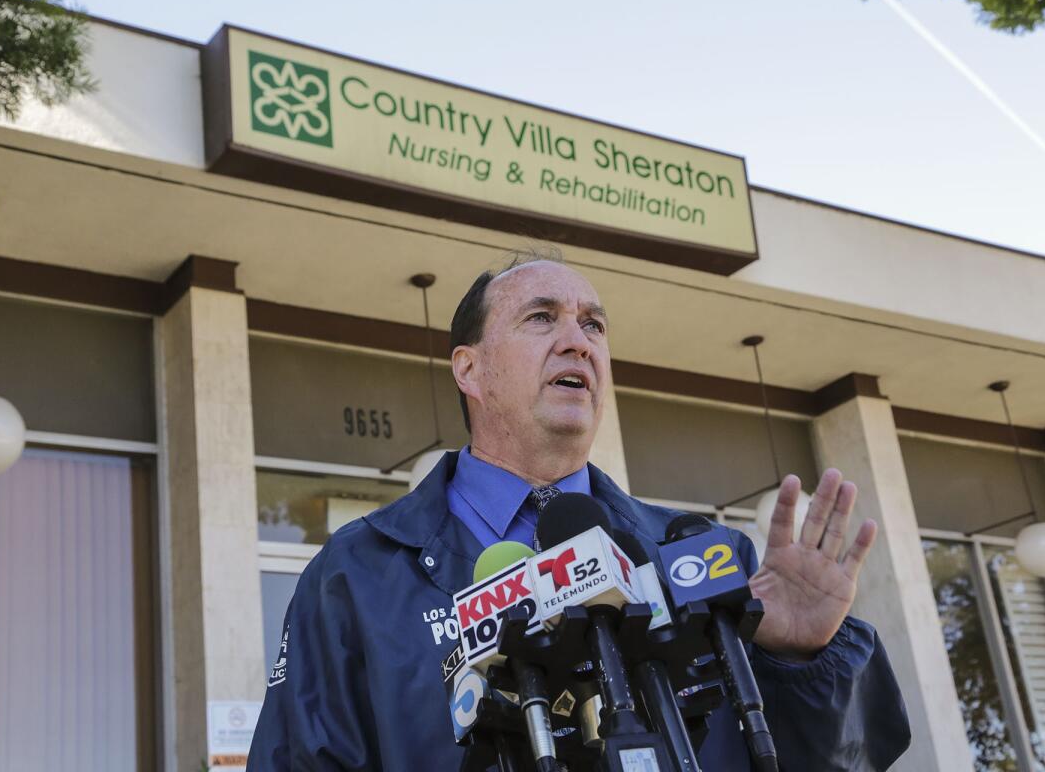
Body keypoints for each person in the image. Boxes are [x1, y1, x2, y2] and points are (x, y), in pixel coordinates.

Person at [247, 254, 911, 771]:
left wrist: (805, 664)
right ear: (470, 370)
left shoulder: (701, 555)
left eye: (592, 324)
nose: (578, 342)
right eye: (542, 318)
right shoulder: (356, 573)